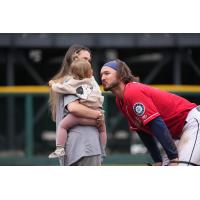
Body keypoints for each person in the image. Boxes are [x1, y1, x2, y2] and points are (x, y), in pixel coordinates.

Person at [100, 59, 200, 166]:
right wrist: (157, 160)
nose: (103, 78)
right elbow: (142, 131)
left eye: (107, 73)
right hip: (179, 133)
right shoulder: (120, 101)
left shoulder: (132, 91)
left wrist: (173, 157)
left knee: (181, 167)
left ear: (120, 75)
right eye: (101, 74)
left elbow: (157, 123)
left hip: (192, 123)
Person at [49, 44, 106, 166]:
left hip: (75, 147)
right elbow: (74, 108)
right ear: (74, 58)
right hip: (85, 145)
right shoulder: (73, 81)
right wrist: (98, 114)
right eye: (84, 59)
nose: (88, 62)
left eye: (89, 60)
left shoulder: (65, 82)